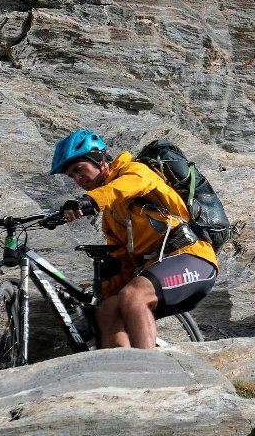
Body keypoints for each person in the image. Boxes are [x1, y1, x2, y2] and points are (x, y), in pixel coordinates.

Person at [51, 129, 218, 348]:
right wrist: (94, 293)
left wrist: (89, 201)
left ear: (99, 160)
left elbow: (125, 187)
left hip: (193, 259)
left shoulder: (135, 171)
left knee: (133, 296)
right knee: (108, 311)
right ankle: (123, 376)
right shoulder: (110, 217)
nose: (77, 179)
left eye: (79, 169)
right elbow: (125, 266)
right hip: (157, 270)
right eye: (71, 175)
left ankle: (145, 371)